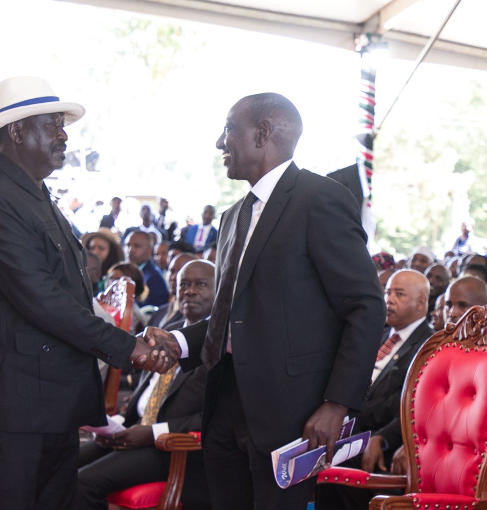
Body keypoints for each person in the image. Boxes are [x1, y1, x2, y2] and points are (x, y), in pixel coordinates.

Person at [144, 93, 385, 510]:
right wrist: (178, 342)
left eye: (228, 130)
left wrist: (336, 403)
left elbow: (365, 307)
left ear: (262, 134)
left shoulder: (319, 198)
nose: (220, 143)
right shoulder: (234, 214)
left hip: (292, 413)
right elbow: (233, 314)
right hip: (223, 402)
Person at [0, 76, 166, 510]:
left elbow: (70, 295)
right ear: (17, 131)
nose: (64, 135)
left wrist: (129, 333)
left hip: (46, 402)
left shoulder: (34, 194)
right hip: (9, 403)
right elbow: (42, 299)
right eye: (53, 125)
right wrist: (130, 348)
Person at [75, 260, 216, 510]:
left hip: (174, 448)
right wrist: (116, 425)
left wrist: (152, 432)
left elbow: (214, 417)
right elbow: (148, 393)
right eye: (184, 284)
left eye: (201, 284)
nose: (189, 291)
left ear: (220, 291)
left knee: (82, 482)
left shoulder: (219, 345)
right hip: (134, 431)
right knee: (59, 461)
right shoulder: (168, 331)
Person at [315, 270, 433, 510]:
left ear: (421, 302)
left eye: (399, 294)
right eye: (387, 292)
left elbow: (412, 404)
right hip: (348, 427)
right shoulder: (379, 334)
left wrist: (381, 437)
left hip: (382, 437)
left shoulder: (428, 345)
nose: (388, 299)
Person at [391, 275, 487, 476]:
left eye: (462, 305)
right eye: (449, 305)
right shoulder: (437, 352)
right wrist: (412, 446)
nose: (452, 313)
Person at [149, 253, 199, 329]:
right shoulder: (160, 312)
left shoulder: (194, 317)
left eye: (180, 272)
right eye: (172, 271)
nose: (173, 277)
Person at [124, 231, 169, 307]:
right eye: (128, 245)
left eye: (137, 246)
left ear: (149, 250)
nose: (130, 250)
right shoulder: (129, 271)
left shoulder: (154, 278)